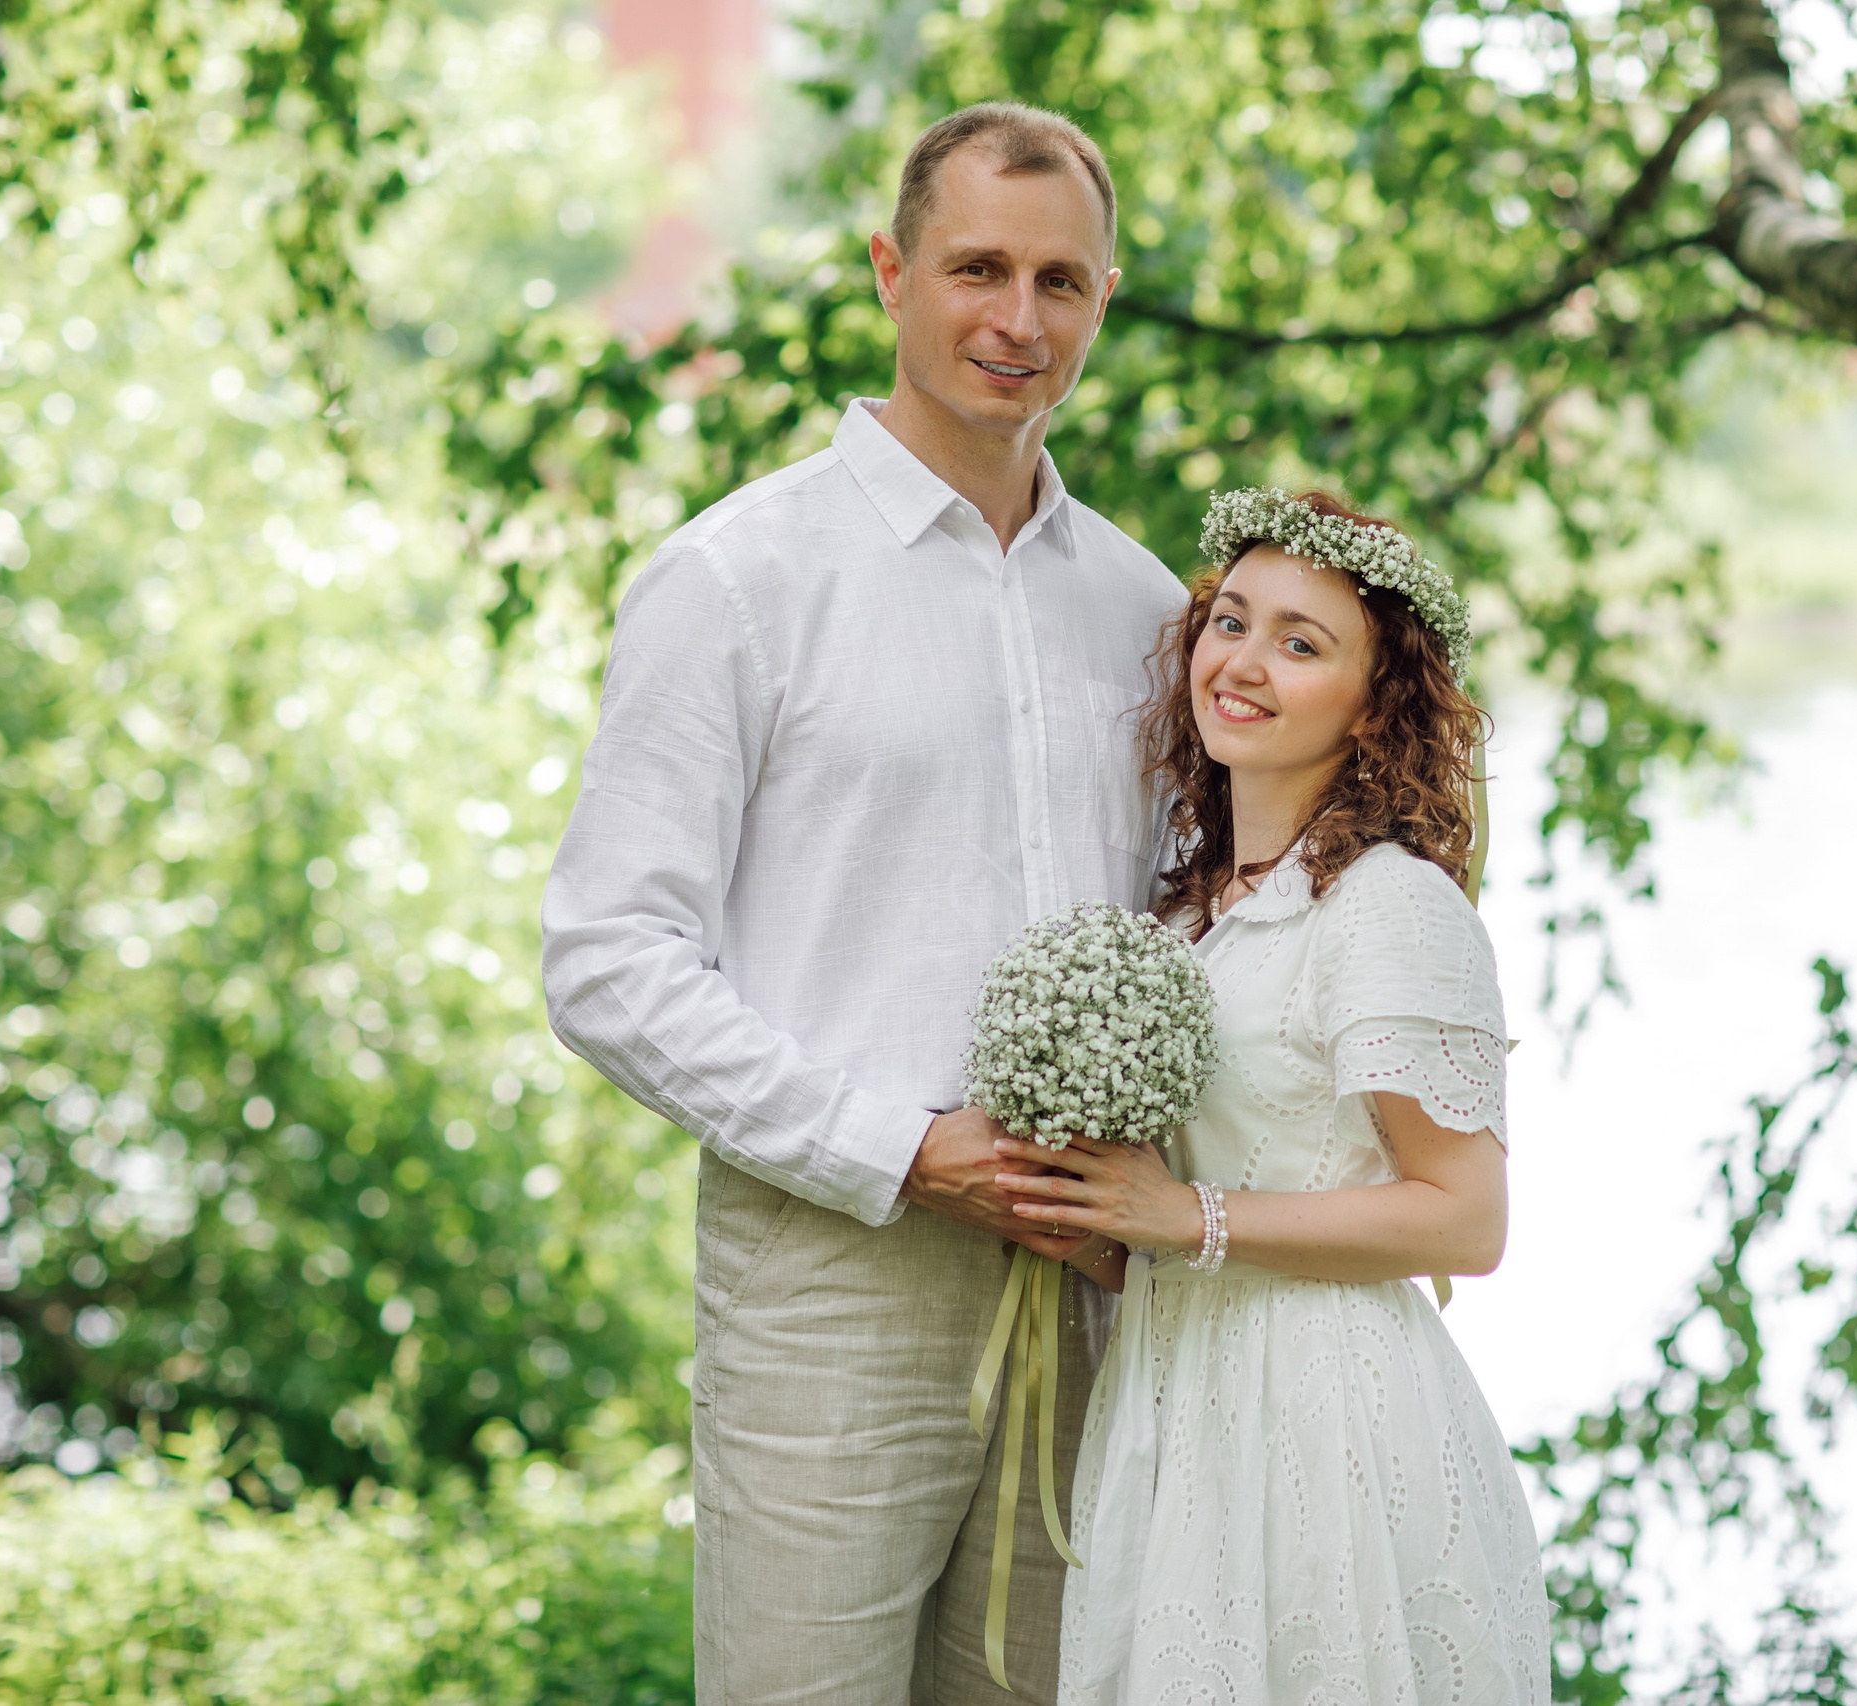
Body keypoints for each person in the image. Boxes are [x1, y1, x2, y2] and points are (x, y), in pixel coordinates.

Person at [540, 104, 1183, 1704]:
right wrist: (897, 1147)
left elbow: (1201, 933)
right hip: (833, 1267)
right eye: (977, 269)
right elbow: (607, 960)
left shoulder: (1153, 611)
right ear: (892, 273)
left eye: (1060, 281)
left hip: (1093, 1284)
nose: (1017, 319)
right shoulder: (738, 579)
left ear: (1104, 298)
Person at [993, 489, 1551, 1703]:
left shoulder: (1390, 904)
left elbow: (1465, 1218)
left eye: (1301, 643)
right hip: (1178, 1401)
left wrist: (1183, 1215)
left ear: (1374, 702)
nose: (1243, 662)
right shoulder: (1192, 912)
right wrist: (1082, 1213)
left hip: (1328, 1418)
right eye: (1231, 621)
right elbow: (1183, 1207)